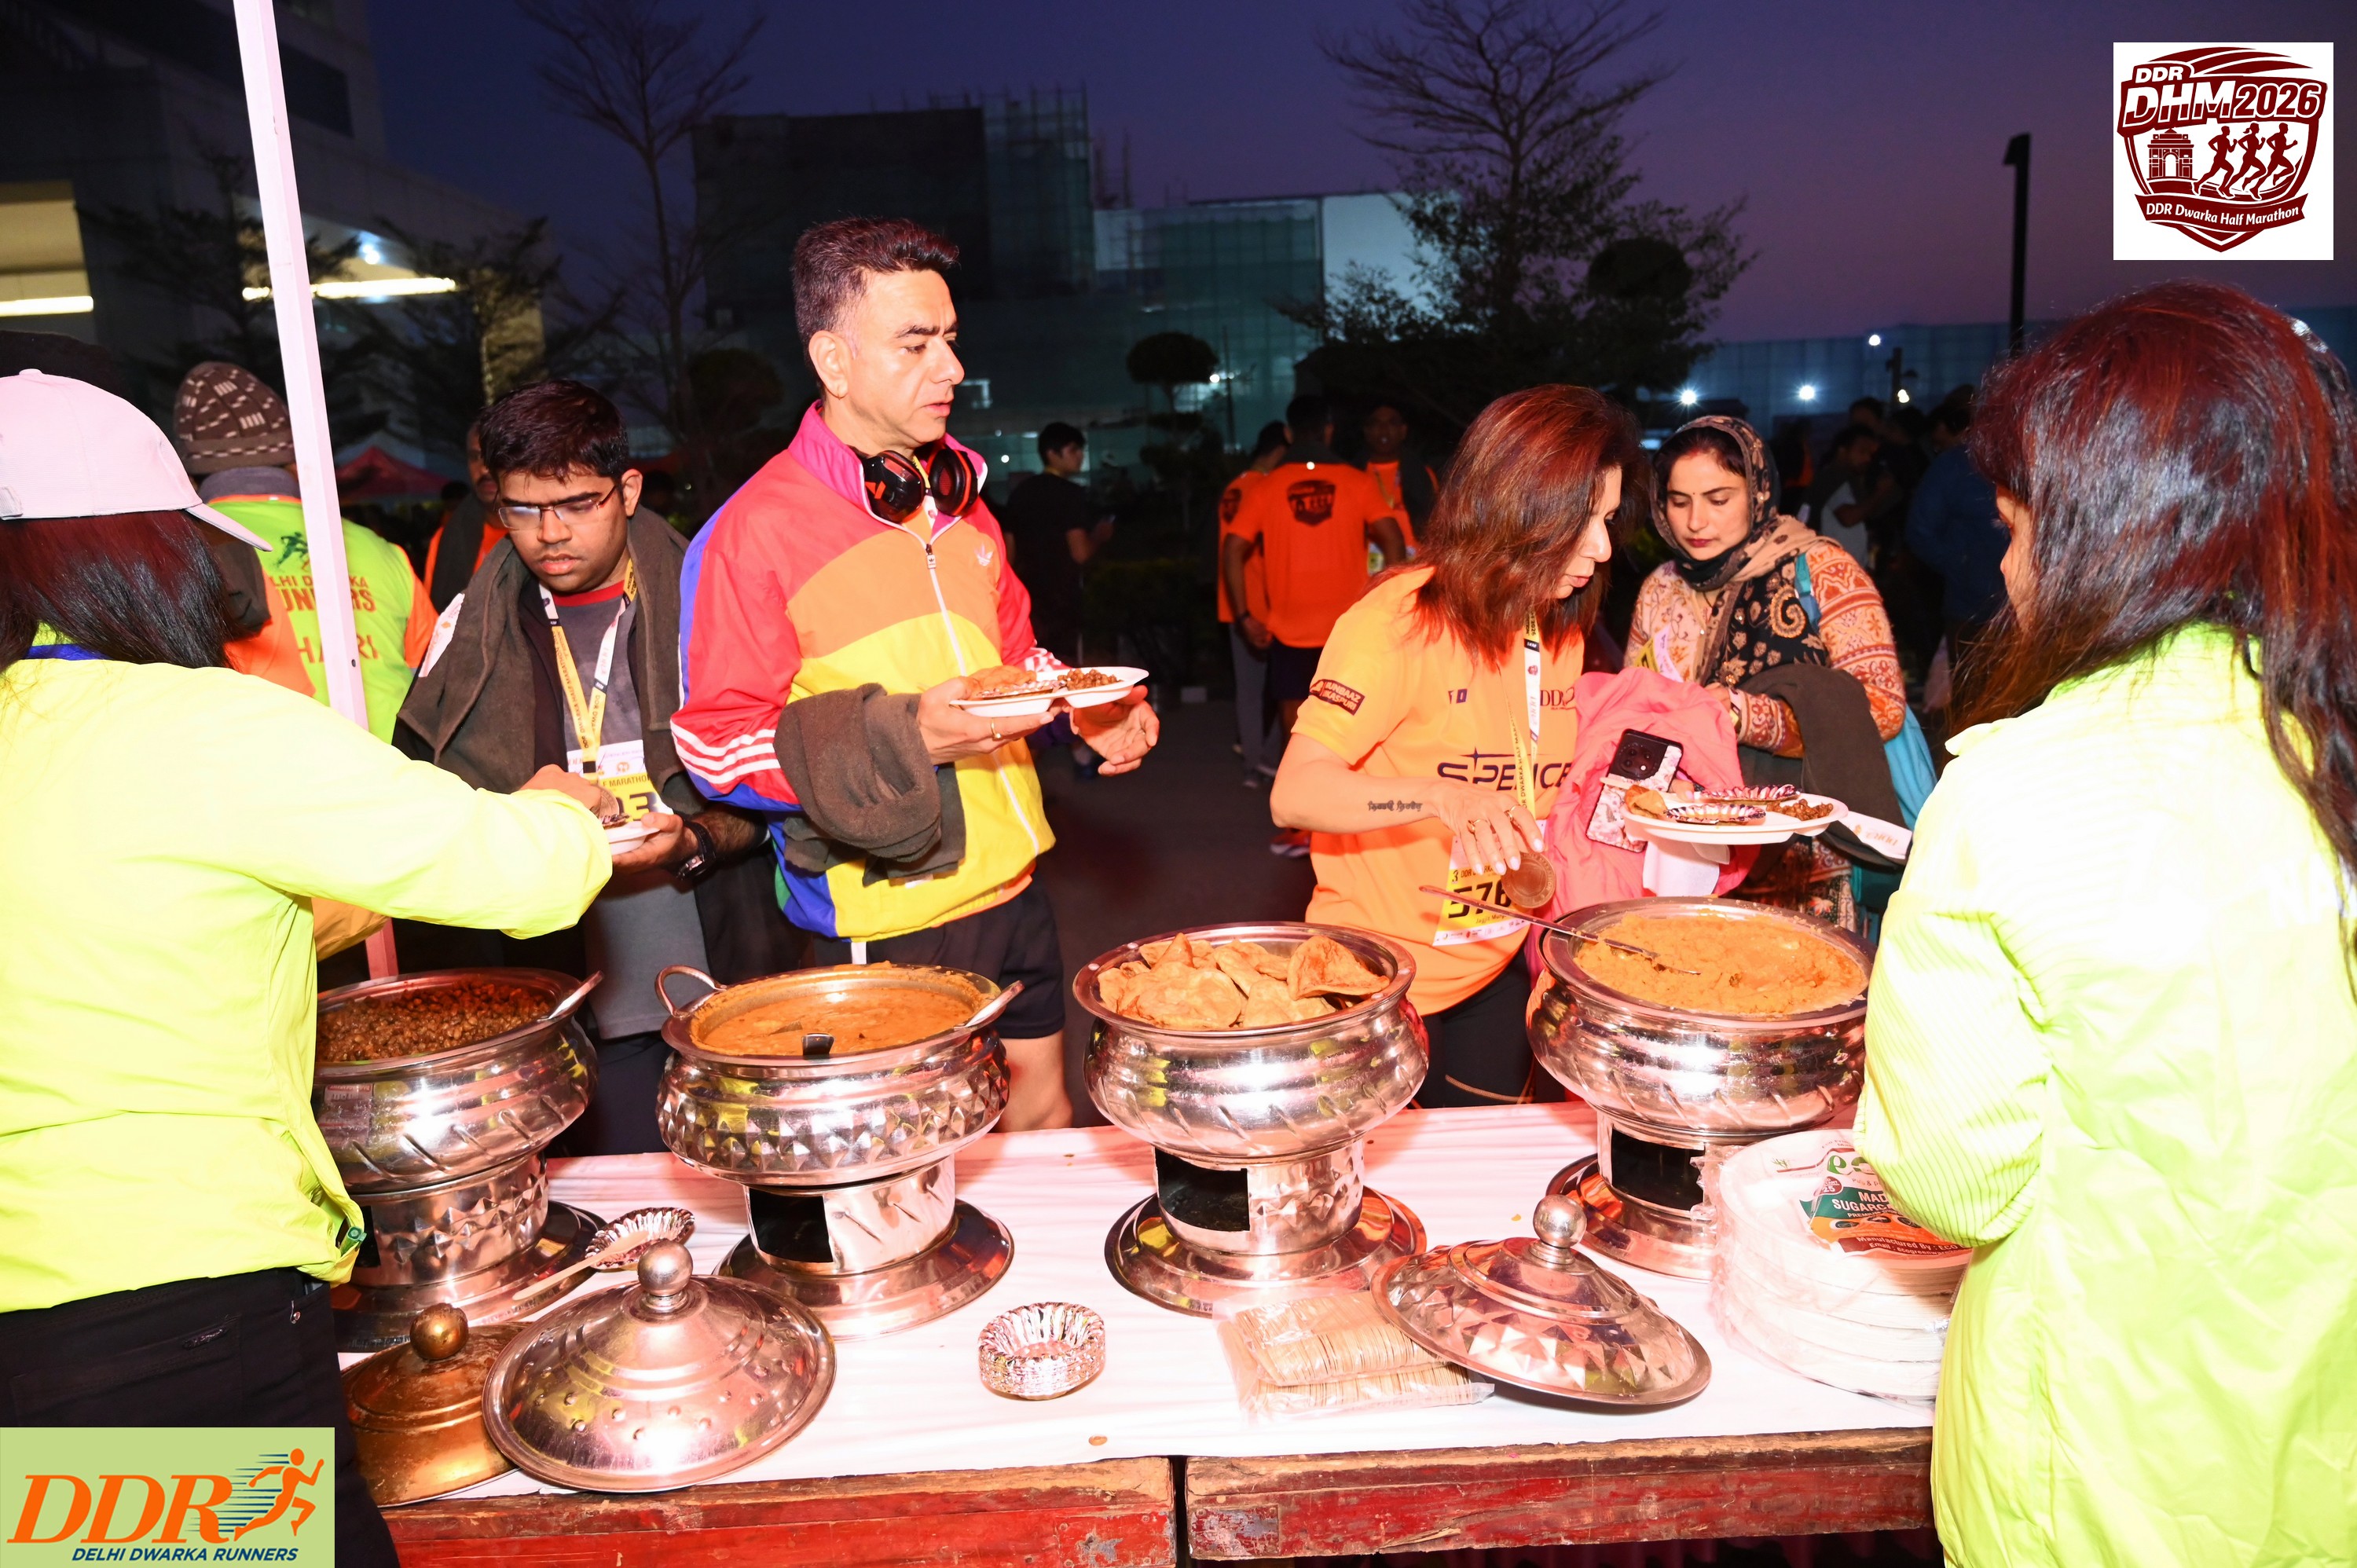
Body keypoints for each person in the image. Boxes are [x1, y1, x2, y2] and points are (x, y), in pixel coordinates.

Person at [0, 368, 634, 1567]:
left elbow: (160, 916)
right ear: (147, 555)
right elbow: (521, 878)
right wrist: (560, 808)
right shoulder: (197, 724)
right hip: (174, 1313)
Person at [1854, 282, 2357, 1567]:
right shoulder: (2331, 749)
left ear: (2104, 538)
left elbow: (1956, 1176)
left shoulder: (2014, 795)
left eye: (2016, 528)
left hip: (2096, 1467)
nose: (2004, 566)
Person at [674, 217, 1159, 1132]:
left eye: (951, 340)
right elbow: (716, 747)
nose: (951, 369)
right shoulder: (752, 533)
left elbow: (1019, 661)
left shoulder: (963, 507)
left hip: (1016, 882)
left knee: (1043, 1118)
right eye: (915, 344)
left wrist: (1081, 707)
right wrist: (904, 741)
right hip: (883, 911)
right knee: (912, 1153)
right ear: (833, 359)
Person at [395, 380, 802, 1156]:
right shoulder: (471, 627)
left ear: (629, 490)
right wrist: (512, 815)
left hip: (728, 976)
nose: (550, 533)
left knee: (756, 1190)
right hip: (564, 1001)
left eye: (578, 503)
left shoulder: (714, 598)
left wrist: (694, 840)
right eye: (522, 509)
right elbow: (419, 804)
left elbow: (788, 781)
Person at [1268, 386, 1628, 1105]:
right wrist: (1439, 796)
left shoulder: (1557, 624)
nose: (1603, 548)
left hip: (1498, 964)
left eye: (1609, 520)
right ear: (1512, 508)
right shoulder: (1397, 621)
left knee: (1486, 1164)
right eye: (1581, 521)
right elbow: (1294, 793)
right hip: (1373, 978)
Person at [1629, 416, 1906, 930]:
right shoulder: (1660, 588)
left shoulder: (1824, 572)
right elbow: (1637, 703)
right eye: (1679, 501)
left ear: (1757, 492)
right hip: (1692, 843)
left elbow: (1883, 709)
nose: (1696, 522)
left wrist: (1749, 718)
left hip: (1805, 854)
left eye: (1719, 499)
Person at [174, 362, 435, 741]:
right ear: (295, 464)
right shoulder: (381, 549)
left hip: (285, 764)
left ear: (189, 475)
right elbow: (432, 674)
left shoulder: (189, 552)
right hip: (404, 762)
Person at [1224, 392, 1407, 856]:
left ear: (1289, 433)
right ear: (1328, 429)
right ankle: (1353, 826)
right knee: (1359, 729)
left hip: (1289, 631)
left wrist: (1245, 615)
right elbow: (1393, 539)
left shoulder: (1267, 486)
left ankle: (1305, 828)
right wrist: (1385, 600)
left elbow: (1233, 548)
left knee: (1297, 732)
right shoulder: (1356, 482)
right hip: (1351, 634)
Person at [1903, 399, 2007, 680]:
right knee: (1974, 693)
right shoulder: (1956, 465)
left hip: (2033, 612)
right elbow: (1920, 529)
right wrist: (1962, 565)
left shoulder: (2034, 458)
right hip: (1973, 609)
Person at [1000, 421, 1111, 666]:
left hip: (1026, 596)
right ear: (1052, 453)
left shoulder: (1020, 493)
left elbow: (1008, 555)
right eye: (1073, 450)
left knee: (1031, 665)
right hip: (1063, 595)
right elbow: (1080, 552)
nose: (1080, 456)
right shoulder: (1071, 494)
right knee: (1066, 665)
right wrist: (1099, 536)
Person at [1219, 420, 1288, 787]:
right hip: (1265, 601)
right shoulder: (1266, 488)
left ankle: (1252, 763)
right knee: (1291, 687)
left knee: (1248, 691)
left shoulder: (1234, 487)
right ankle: (1267, 757)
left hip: (1234, 602)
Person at [422, 418, 500, 610]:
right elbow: (434, 616)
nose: (484, 469)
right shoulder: (446, 538)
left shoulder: (544, 531)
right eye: (475, 457)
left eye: (495, 456)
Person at [1358, 400, 1437, 551]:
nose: (1384, 429)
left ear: (1403, 431)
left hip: (1414, 560)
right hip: (1366, 560)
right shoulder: (1354, 474)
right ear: (1367, 432)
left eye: (1392, 423)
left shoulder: (1421, 473)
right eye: (1376, 423)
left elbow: (1436, 523)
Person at [1806, 421, 1882, 567]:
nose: (1867, 459)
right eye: (1862, 452)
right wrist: (1881, 492)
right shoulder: (1832, 478)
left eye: (1870, 454)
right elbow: (1848, 518)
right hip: (1834, 568)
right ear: (1842, 451)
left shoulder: (1850, 480)